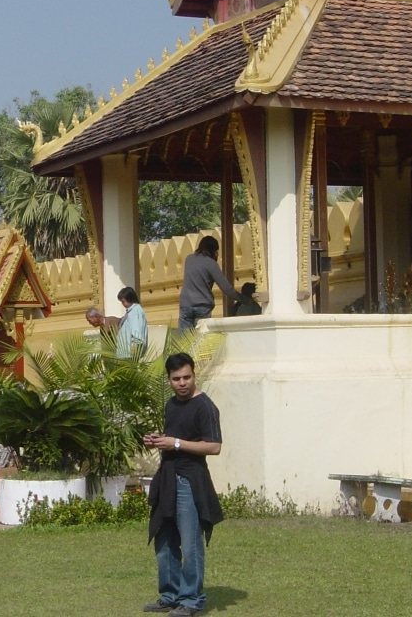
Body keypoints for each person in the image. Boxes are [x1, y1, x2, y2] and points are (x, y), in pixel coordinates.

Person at [142, 352, 223, 616]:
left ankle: (191, 600)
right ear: (168, 380)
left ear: (194, 375)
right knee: (163, 539)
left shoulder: (205, 407)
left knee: (190, 544)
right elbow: (175, 437)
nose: (182, 383)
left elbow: (214, 446)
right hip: (167, 478)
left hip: (190, 480)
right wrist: (158, 440)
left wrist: (175, 443)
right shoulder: (171, 405)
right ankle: (170, 594)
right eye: (176, 378)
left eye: (187, 377)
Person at [178, 236, 245, 330]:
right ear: (214, 250)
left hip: (186, 304)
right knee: (200, 339)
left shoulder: (189, 259)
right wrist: (242, 298)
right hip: (203, 306)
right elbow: (226, 288)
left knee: (184, 339)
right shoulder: (211, 264)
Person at [116, 286, 148, 359]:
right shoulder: (130, 312)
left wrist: (133, 353)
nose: (122, 304)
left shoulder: (136, 311)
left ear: (129, 298)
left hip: (130, 355)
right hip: (125, 354)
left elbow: (137, 333)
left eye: (123, 301)